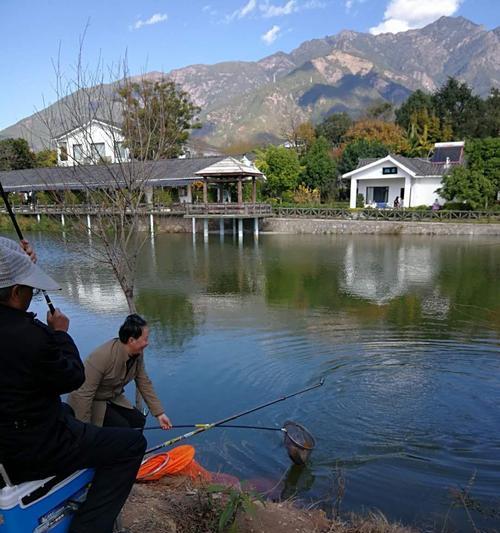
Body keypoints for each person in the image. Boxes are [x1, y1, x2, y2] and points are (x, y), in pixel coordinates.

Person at [0, 237, 146, 533]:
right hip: (31, 451)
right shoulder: (31, 336)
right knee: (132, 444)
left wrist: (18, 255)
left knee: (71, 417)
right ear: (16, 292)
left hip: (8, 440)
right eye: (29, 288)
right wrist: (60, 333)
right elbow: (73, 378)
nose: (32, 294)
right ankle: (89, 528)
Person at [68, 314, 172, 431]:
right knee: (123, 429)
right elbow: (82, 395)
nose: (147, 343)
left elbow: (144, 382)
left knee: (138, 421)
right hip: (93, 401)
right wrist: (85, 432)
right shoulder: (102, 357)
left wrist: (159, 414)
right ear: (131, 340)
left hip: (112, 397)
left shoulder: (137, 354)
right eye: (145, 339)